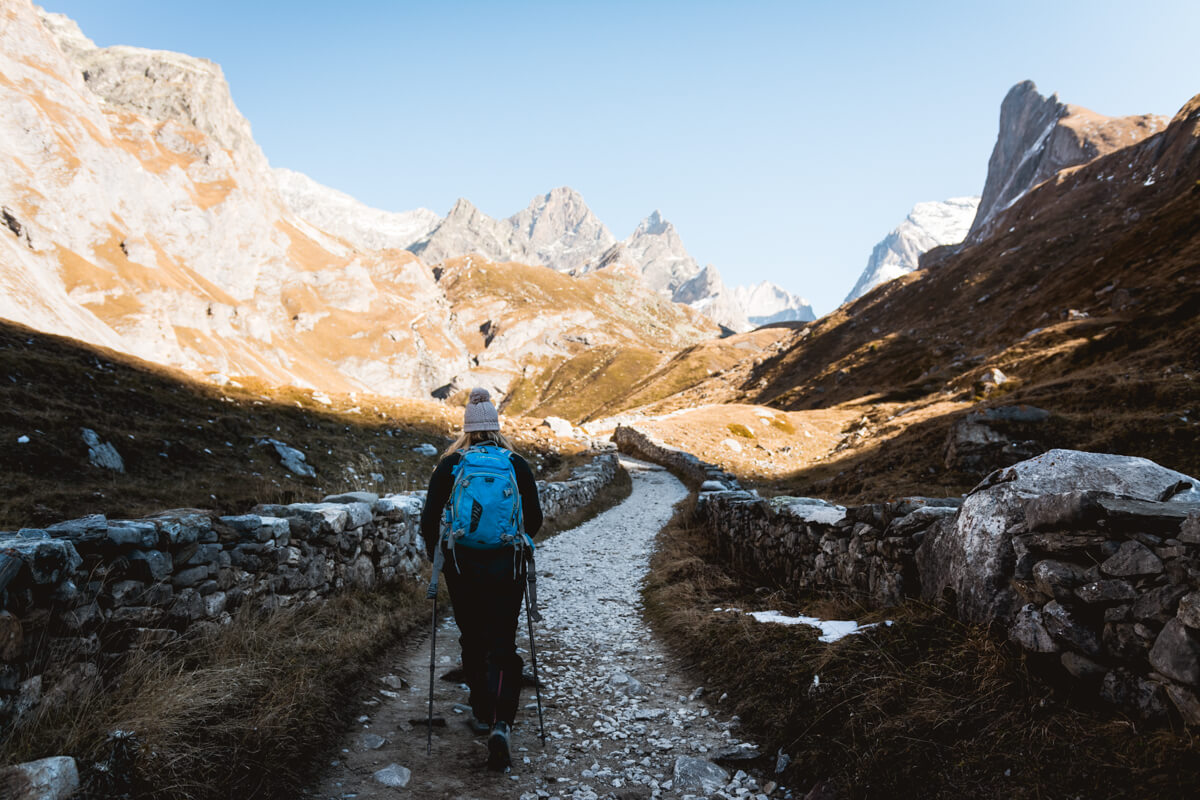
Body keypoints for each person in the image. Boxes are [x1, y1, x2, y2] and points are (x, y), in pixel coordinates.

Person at [420, 387, 543, 772]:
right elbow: (535, 519)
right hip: (506, 564)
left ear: (467, 428)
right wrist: (516, 542)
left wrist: (438, 560)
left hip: (462, 565)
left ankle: (480, 710)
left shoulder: (451, 464)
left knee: (472, 638)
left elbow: (428, 521)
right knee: (503, 641)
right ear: (496, 426)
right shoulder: (515, 464)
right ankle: (502, 723)